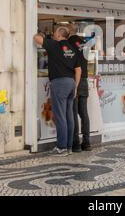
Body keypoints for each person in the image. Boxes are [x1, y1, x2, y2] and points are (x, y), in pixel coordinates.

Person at [34, 27, 81, 156]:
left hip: (59, 83)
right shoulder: (73, 48)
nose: (54, 34)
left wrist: (40, 33)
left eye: (55, 33)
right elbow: (78, 70)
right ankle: (69, 146)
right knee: (69, 116)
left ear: (60, 35)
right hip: (71, 83)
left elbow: (36, 38)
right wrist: (75, 86)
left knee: (60, 117)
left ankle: (61, 147)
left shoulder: (54, 45)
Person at [68, 35, 92, 152]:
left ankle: (76, 144)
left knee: (73, 114)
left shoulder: (70, 44)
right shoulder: (84, 46)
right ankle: (87, 143)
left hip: (75, 80)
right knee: (84, 114)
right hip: (84, 81)